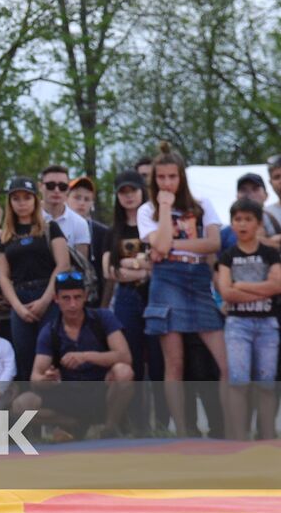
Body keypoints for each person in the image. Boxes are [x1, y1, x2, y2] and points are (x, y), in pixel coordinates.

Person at [138, 142, 226, 436]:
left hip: (199, 281)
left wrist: (171, 245)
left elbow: (213, 243)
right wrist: (164, 208)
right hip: (167, 281)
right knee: (173, 363)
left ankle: (231, 425)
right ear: (154, 180)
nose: (167, 183)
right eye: (161, 178)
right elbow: (159, 245)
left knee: (224, 360)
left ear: (182, 177)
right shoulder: (147, 210)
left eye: (172, 177)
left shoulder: (202, 203)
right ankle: (183, 432)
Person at [11, 273, 133, 439]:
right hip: (67, 394)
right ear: (56, 299)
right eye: (66, 298)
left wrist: (86, 356)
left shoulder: (103, 318)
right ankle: (77, 426)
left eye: (77, 297)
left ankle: (109, 428)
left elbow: (125, 356)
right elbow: (35, 379)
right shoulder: (50, 331)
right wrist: (47, 380)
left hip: (101, 390)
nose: (73, 304)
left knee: (124, 371)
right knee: (21, 405)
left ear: (86, 297)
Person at [213, 198, 281, 440]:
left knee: (266, 384)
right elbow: (226, 292)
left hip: (267, 324)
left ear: (259, 223)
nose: (242, 224)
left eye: (248, 219)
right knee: (238, 382)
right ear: (231, 223)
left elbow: (277, 286)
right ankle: (239, 437)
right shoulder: (227, 256)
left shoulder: (271, 254)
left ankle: (267, 435)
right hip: (237, 325)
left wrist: (241, 284)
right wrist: (260, 288)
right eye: (237, 219)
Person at [103, 170, 163, 429]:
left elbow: (159, 263)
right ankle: (138, 423)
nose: (128, 197)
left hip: (155, 295)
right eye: (123, 192)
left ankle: (163, 421)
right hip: (126, 300)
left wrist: (129, 264)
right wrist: (142, 264)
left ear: (143, 191)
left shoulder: (156, 224)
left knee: (159, 360)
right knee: (132, 359)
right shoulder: (112, 230)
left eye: (133, 191)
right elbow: (109, 271)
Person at [0, 176, 71, 382]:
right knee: (24, 356)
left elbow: (63, 264)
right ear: (10, 202)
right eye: (16, 198)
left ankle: (56, 409)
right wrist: (18, 307)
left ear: (35, 200)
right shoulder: (5, 237)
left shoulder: (50, 228)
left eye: (27, 197)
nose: (22, 203)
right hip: (19, 299)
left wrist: (45, 300)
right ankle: (28, 409)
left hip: (49, 295)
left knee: (50, 356)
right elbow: (3, 276)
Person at [66, 175, 112, 302]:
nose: (81, 203)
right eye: (77, 197)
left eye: (87, 199)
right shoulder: (57, 227)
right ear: (66, 198)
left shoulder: (103, 232)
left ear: (92, 203)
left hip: (93, 297)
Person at [39, 165, 92, 264]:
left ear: (67, 190)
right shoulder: (27, 216)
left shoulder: (79, 223)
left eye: (62, 186)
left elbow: (81, 265)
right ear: (40, 187)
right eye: (50, 185)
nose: (56, 190)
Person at [218, 173, 281, 253]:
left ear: (266, 195)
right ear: (237, 196)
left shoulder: (277, 219)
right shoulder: (225, 234)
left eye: (255, 189)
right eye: (243, 190)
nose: (249, 194)